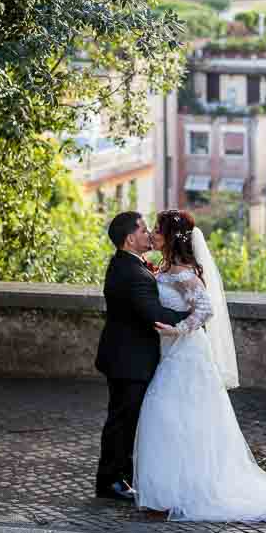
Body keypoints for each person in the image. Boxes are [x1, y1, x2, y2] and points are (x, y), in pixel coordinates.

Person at [133, 209, 266, 528]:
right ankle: (165, 494)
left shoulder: (183, 272)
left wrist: (176, 331)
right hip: (170, 354)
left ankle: (175, 495)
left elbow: (205, 310)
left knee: (169, 415)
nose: (153, 233)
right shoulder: (166, 269)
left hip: (187, 355)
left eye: (157, 229)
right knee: (171, 419)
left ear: (171, 237)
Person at [95, 210, 190, 501]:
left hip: (123, 355)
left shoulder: (126, 265)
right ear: (129, 238)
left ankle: (117, 476)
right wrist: (192, 316)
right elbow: (155, 314)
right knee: (123, 421)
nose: (149, 234)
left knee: (122, 418)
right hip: (130, 360)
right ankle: (111, 481)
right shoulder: (134, 273)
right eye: (143, 229)